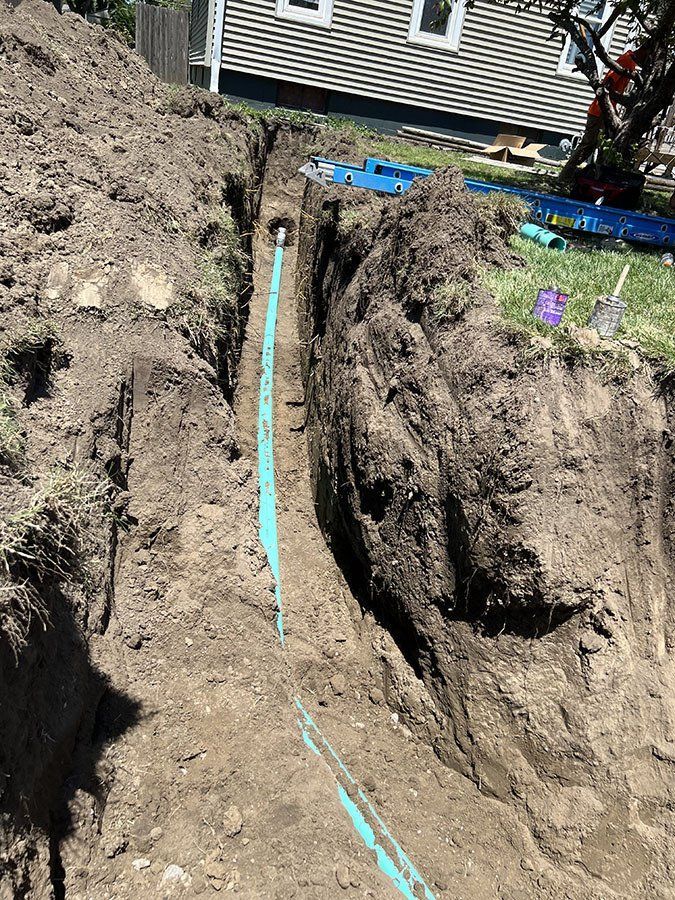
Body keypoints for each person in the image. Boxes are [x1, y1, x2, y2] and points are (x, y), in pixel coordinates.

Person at [559, 42, 651, 186]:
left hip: (607, 111)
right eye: (648, 57)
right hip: (599, 111)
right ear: (644, 51)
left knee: (601, 146)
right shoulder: (626, 60)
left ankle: (591, 178)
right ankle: (565, 176)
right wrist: (611, 101)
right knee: (588, 145)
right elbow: (608, 82)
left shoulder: (631, 62)